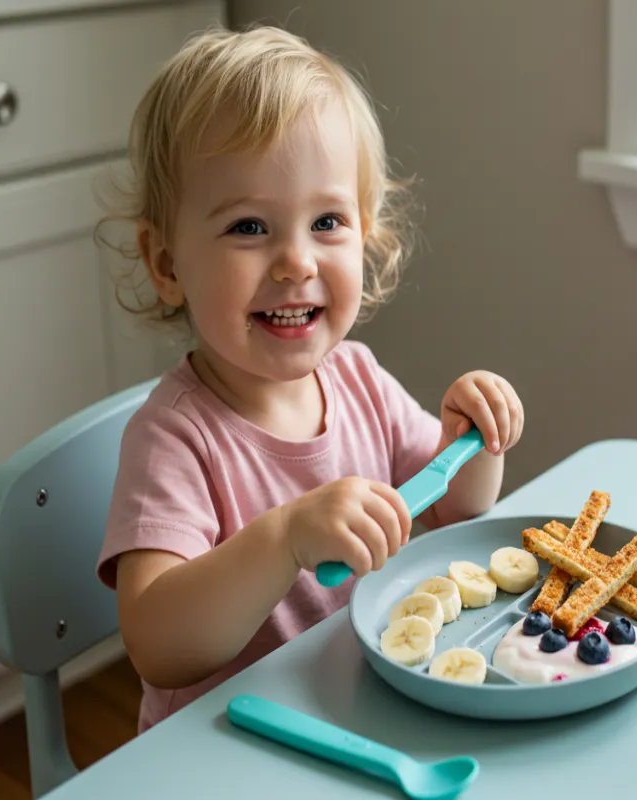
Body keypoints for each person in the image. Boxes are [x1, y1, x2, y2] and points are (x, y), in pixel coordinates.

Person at [93, 25, 524, 733]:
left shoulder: (357, 377)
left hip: (348, 715)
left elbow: (451, 509)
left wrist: (473, 440)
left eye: (326, 221)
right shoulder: (175, 438)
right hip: (228, 753)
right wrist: (284, 538)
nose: (295, 262)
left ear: (367, 235)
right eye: (249, 228)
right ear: (167, 264)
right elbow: (157, 646)